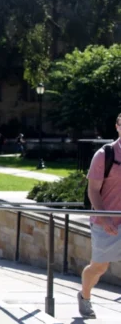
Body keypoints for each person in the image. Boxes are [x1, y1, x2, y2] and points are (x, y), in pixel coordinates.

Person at [79, 113, 121, 319]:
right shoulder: (105, 155)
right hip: (106, 221)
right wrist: (105, 219)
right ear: (117, 127)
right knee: (98, 267)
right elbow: (93, 191)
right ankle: (85, 297)